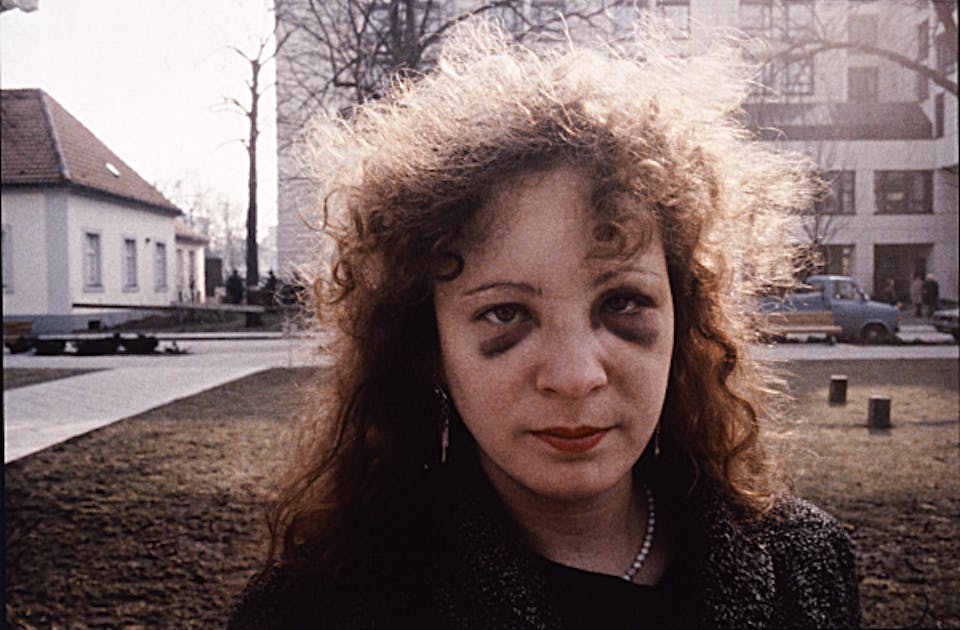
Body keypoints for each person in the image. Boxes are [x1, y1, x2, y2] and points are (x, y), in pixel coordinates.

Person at [229, 26, 860, 629]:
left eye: (622, 303)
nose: (575, 377)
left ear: (684, 319)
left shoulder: (805, 564)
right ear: (427, 346)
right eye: (505, 313)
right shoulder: (318, 611)